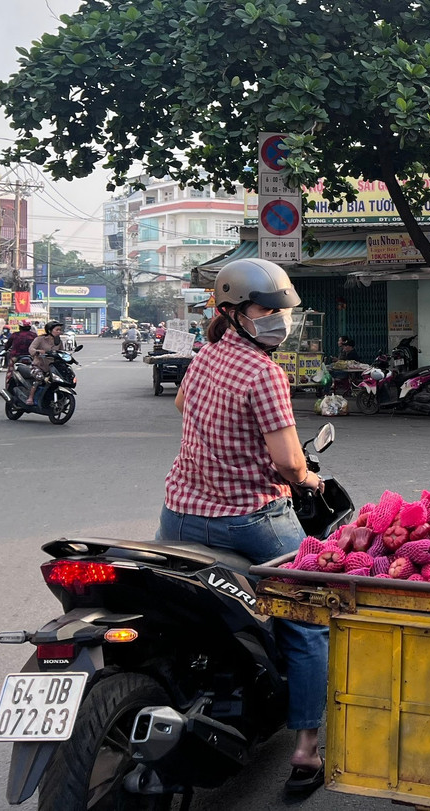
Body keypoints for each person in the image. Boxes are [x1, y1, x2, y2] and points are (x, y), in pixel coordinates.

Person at [156, 257, 328, 797]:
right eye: (267, 309)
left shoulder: (207, 355)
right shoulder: (265, 373)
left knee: (180, 615)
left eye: (283, 311)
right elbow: (289, 465)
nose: (279, 319)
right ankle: (305, 750)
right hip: (249, 520)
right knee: (309, 618)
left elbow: (184, 405)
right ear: (233, 312)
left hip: (180, 515)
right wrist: (310, 480)